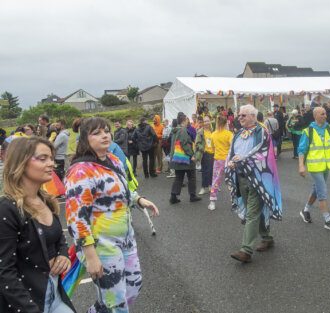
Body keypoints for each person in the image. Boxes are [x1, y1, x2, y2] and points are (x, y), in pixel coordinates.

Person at [65, 117, 159, 313]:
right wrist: (91, 256)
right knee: (116, 302)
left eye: (106, 131)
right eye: (97, 133)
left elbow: (123, 190)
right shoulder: (80, 171)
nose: (105, 135)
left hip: (126, 239)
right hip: (101, 245)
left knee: (133, 287)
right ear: (84, 139)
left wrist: (139, 199)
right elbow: (76, 218)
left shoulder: (114, 160)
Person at [0, 136, 76, 312]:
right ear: (21, 163)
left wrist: (63, 254)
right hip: (27, 301)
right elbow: (4, 271)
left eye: (51, 158)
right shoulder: (7, 209)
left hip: (55, 292)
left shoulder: (46, 200)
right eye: (43, 159)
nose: (51, 163)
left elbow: (59, 238)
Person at [226, 104, 282, 263]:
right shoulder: (238, 134)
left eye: (243, 115)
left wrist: (242, 159)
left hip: (257, 178)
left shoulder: (262, 132)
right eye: (239, 115)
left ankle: (246, 250)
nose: (239, 118)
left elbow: (261, 153)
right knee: (255, 212)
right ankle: (267, 237)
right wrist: (230, 162)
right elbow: (231, 152)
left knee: (252, 212)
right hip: (241, 177)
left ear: (252, 116)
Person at [298, 107, 330, 231]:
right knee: (322, 191)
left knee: (317, 189)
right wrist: (301, 166)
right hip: (315, 167)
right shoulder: (308, 131)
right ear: (315, 116)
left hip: (326, 166)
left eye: (325, 114)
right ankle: (327, 220)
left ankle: (305, 210)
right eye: (322, 114)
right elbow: (301, 150)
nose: (325, 116)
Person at [169, 113, 201, 204]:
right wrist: (192, 155)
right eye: (187, 120)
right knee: (192, 176)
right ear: (184, 121)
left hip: (177, 158)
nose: (188, 121)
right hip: (186, 159)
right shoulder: (183, 130)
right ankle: (192, 195)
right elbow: (185, 144)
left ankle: (173, 196)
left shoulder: (175, 130)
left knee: (178, 177)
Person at [208, 115, 233, 211]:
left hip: (218, 160)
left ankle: (212, 202)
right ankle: (234, 200)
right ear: (226, 122)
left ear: (217, 123)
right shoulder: (229, 134)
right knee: (231, 181)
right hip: (228, 160)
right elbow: (232, 146)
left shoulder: (213, 134)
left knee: (215, 181)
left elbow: (212, 148)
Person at [195, 116, 214, 195]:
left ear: (210, 122)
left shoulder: (212, 131)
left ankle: (210, 186)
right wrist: (202, 148)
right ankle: (203, 187)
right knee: (204, 171)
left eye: (207, 121)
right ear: (203, 123)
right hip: (204, 153)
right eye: (205, 121)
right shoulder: (200, 132)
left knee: (211, 171)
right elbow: (197, 143)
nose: (206, 123)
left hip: (213, 153)